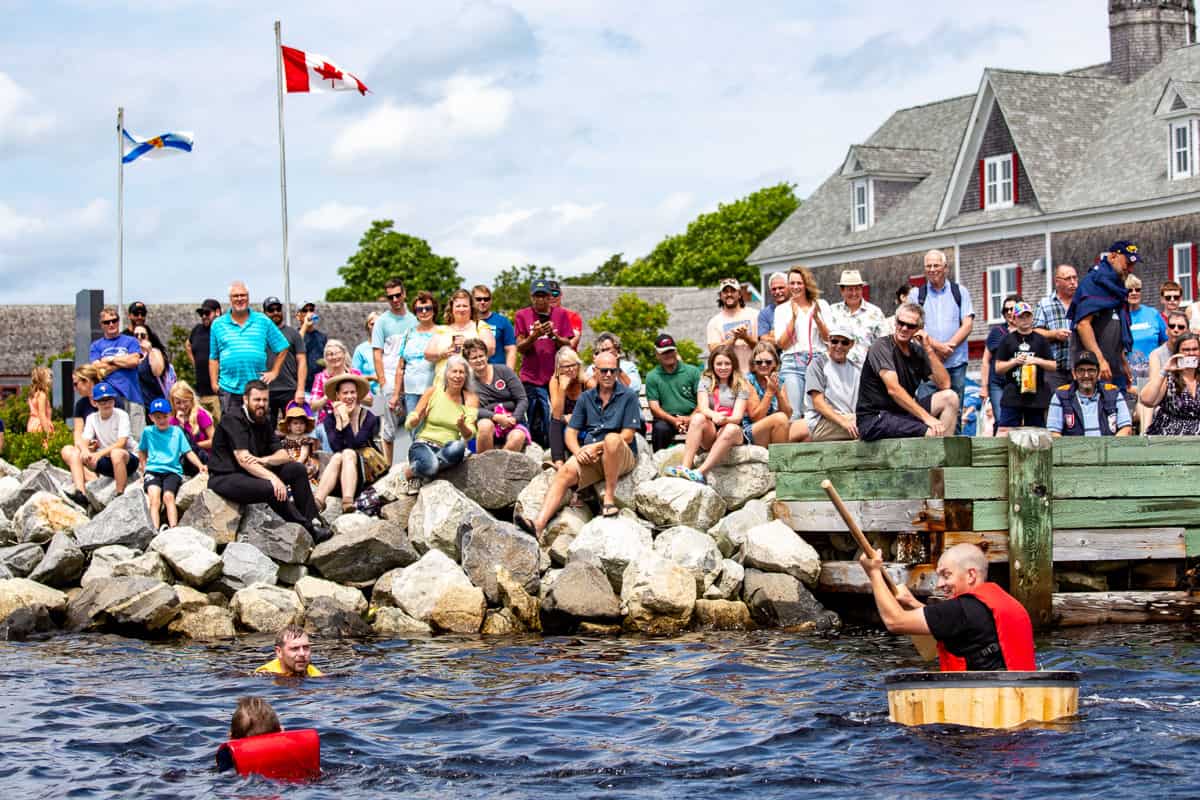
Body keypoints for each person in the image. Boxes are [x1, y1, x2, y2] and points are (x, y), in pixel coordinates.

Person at [859, 543, 1035, 672]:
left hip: (980, 706)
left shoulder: (961, 610)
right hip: (1016, 698)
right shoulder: (1005, 603)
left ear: (971, 575)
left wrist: (874, 573)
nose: (940, 584)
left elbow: (895, 622)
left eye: (946, 575)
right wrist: (913, 603)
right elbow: (951, 625)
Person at [529, 351, 642, 536]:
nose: (608, 375)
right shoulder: (586, 397)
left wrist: (597, 446)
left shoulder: (628, 396)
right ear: (595, 371)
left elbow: (628, 435)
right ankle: (538, 524)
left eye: (612, 371)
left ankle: (609, 500)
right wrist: (578, 451)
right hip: (592, 454)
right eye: (603, 371)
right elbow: (571, 432)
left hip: (621, 454)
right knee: (565, 471)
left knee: (613, 439)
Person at [207, 380, 330, 542]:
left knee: (296, 469)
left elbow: (284, 455)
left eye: (265, 400)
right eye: (257, 400)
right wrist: (273, 478)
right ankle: (308, 530)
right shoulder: (233, 419)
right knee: (272, 488)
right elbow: (243, 460)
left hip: (252, 472)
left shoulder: (263, 420)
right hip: (226, 476)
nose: (261, 404)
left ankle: (313, 518)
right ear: (245, 399)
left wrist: (263, 460)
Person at [856, 302, 958, 441]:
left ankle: (945, 459)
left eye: (910, 326)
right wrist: (928, 418)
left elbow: (945, 384)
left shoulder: (917, 351)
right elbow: (894, 390)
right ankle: (937, 460)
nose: (904, 328)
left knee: (950, 398)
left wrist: (928, 348)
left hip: (902, 414)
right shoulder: (881, 346)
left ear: (919, 329)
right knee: (931, 433)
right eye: (900, 323)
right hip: (875, 418)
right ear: (895, 322)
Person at [908, 249, 974, 429]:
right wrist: (938, 348)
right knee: (925, 412)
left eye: (936, 265)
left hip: (956, 364)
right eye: (928, 266)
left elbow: (967, 324)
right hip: (927, 365)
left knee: (956, 413)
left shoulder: (960, 292)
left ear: (945, 268)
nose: (932, 269)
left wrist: (949, 347)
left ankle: (957, 451)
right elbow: (914, 327)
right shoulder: (916, 295)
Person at [666, 344, 750, 484]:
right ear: (712, 364)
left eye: (727, 363)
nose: (723, 367)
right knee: (698, 418)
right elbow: (703, 408)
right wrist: (714, 415)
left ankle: (700, 472)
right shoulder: (706, 381)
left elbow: (737, 417)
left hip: (732, 431)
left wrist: (724, 419)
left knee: (730, 428)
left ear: (733, 364)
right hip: (712, 430)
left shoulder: (741, 384)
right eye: (719, 364)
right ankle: (686, 467)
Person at [209, 282, 289, 416]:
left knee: (259, 431)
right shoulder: (218, 324)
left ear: (248, 297)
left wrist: (274, 372)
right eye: (236, 296)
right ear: (230, 299)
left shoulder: (262, 320)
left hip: (257, 389)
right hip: (229, 389)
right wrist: (214, 384)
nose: (240, 299)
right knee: (232, 432)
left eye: (243, 295)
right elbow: (213, 357)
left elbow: (283, 347)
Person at [403, 355, 479, 492]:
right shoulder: (433, 391)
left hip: (447, 449)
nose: (457, 376)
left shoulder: (470, 398)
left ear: (466, 376)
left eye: (461, 372)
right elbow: (410, 422)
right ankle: (413, 471)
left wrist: (462, 426)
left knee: (459, 446)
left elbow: (470, 434)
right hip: (424, 444)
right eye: (454, 371)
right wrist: (415, 419)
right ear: (446, 373)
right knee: (431, 466)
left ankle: (422, 469)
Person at [515, 279, 575, 448]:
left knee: (554, 415)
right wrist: (534, 336)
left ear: (550, 297)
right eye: (536, 296)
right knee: (533, 416)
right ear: (531, 296)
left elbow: (568, 345)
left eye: (543, 296)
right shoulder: (522, 315)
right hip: (531, 376)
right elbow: (520, 347)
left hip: (554, 376)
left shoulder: (561, 314)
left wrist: (553, 336)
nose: (540, 300)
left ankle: (554, 448)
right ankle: (533, 450)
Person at [1069, 241, 1137, 390]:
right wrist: (1099, 360)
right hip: (1092, 370)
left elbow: (1116, 327)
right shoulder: (1094, 282)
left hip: (1114, 366)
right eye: (1128, 262)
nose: (1130, 269)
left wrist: (1122, 361)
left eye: (1133, 265)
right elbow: (1083, 325)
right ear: (1113, 256)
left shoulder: (1116, 287)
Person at [313, 374, 382, 513]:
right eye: (345, 393)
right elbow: (336, 447)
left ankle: (348, 501)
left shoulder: (369, 417)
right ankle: (318, 502)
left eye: (353, 392)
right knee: (339, 456)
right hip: (344, 470)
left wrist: (346, 420)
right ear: (338, 396)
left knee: (348, 453)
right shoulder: (330, 419)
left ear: (357, 394)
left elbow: (356, 444)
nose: (350, 396)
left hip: (367, 470)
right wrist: (339, 420)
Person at [62, 382, 139, 503]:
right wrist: (86, 451)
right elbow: (84, 440)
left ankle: (120, 494)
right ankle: (80, 492)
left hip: (127, 459)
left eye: (109, 400)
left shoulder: (121, 415)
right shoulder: (92, 418)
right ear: (95, 403)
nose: (106, 404)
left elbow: (121, 443)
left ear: (114, 401)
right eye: (102, 401)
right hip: (106, 460)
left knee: (116, 453)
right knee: (69, 451)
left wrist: (98, 454)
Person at [138, 397, 206, 530]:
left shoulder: (176, 431)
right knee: (154, 498)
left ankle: (173, 528)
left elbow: (188, 452)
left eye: (164, 416)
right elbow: (142, 451)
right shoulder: (148, 432)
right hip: (153, 470)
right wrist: (143, 469)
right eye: (158, 417)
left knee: (168, 496)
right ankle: (155, 530)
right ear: (151, 417)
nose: (162, 420)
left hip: (172, 471)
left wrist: (200, 466)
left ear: (170, 415)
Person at [774, 267, 830, 420]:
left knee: (819, 411)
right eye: (791, 283)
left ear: (806, 284)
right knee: (795, 412)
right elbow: (782, 344)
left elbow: (828, 339)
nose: (795, 287)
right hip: (793, 361)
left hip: (818, 359)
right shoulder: (781, 309)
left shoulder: (821, 305)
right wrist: (793, 318)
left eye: (799, 283)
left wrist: (817, 319)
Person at [389, 293, 439, 462]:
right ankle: (420, 463)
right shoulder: (408, 334)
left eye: (428, 308)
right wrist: (396, 394)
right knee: (414, 429)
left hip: (433, 390)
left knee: (433, 430)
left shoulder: (441, 332)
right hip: (411, 392)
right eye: (420, 309)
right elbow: (400, 366)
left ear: (434, 310)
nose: (424, 312)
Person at [993, 302, 1056, 432]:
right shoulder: (1007, 340)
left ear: (1032, 318)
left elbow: (1053, 366)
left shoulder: (1041, 340)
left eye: (1027, 316)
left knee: (1036, 434)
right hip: (1013, 395)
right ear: (1014, 319)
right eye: (1021, 317)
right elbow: (998, 368)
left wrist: (1036, 360)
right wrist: (1014, 362)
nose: (1025, 320)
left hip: (1035, 396)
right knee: (1005, 432)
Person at [373, 278, 417, 465]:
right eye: (391, 297)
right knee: (390, 429)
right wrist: (383, 383)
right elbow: (377, 353)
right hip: (390, 378)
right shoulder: (382, 322)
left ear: (404, 294)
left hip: (412, 377)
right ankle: (388, 469)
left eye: (398, 295)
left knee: (414, 425)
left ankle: (413, 465)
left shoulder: (414, 319)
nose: (395, 299)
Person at [89, 305, 145, 438]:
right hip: (110, 399)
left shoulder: (131, 341)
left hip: (133, 396)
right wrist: (123, 362)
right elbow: (98, 369)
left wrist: (110, 359)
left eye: (114, 320)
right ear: (101, 325)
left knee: (138, 437)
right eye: (107, 322)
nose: (111, 324)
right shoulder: (96, 346)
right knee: (116, 438)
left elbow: (134, 361)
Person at [464, 338, 529, 453]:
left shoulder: (504, 371)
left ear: (487, 356)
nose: (479, 360)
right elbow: (471, 410)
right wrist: (496, 417)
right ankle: (484, 466)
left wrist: (514, 418)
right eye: (474, 358)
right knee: (484, 426)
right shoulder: (468, 382)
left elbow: (522, 399)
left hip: (513, 419)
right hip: (488, 420)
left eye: (481, 356)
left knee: (517, 437)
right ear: (468, 361)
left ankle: (498, 467)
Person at [1046, 351, 1133, 437]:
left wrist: (1110, 449)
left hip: (1108, 449)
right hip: (1074, 450)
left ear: (1098, 373)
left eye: (1091, 370)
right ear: (1074, 374)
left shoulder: (1113, 393)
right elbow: (1053, 433)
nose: (1086, 375)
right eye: (1081, 370)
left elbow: (1126, 428)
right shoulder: (1060, 396)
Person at [803, 327, 863, 442]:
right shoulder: (818, 364)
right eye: (835, 341)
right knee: (868, 422)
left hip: (849, 419)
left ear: (851, 344)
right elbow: (818, 403)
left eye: (844, 342)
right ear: (828, 341)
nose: (839, 346)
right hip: (821, 423)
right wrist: (843, 422)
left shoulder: (856, 369)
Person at [644, 334, 700, 452]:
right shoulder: (652, 376)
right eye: (664, 352)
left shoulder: (693, 372)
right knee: (660, 429)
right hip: (667, 419)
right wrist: (674, 421)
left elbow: (702, 402)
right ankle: (659, 464)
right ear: (657, 354)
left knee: (701, 423)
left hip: (693, 416)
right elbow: (654, 408)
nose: (668, 354)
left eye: (671, 351)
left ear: (676, 351)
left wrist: (690, 418)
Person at [743, 341, 805, 445]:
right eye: (759, 362)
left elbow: (787, 414)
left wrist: (777, 392)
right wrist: (770, 392)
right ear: (753, 365)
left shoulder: (779, 380)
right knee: (780, 418)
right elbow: (755, 417)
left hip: (776, 426)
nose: (763, 365)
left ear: (775, 363)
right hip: (752, 431)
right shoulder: (748, 381)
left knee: (806, 426)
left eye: (768, 362)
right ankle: (780, 460)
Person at [427, 289, 496, 378]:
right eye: (458, 306)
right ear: (452, 308)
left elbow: (491, 348)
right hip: (443, 383)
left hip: (473, 381)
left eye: (465, 306)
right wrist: (442, 353)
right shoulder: (442, 329)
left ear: (471, 308)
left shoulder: (480, 325)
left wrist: (469, 344)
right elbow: (427, 354)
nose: (461, 309)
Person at [1141, 333, 1200, 435]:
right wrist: (1165, 370)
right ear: (1177, 353)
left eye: (1195, 349)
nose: (1191, 353)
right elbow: (1147, 401)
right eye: (1186, 350)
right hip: (1169, 435)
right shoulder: (1169, 377)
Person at [262, 297, 307, 431]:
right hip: (266, 390)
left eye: (278, 309)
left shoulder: (293, 334)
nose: (275, 312)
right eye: (271, 310)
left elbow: (302, 362)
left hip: (289, 389)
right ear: (265, 312)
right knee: (265, 430)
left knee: (294, 430)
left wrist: (300, 389)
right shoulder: (259, 334)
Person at [1034, 264, 1078, 394]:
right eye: (1068, 279)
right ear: (1057, 282)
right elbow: (1035, 332)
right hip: (1054, 369)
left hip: (1080, 367)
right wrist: (1054, 334)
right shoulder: (1045, 304)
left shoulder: (1083, 302)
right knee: (1056, 407)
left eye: (1075, 278)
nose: (1073, 282)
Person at [827, 270, 885, 366]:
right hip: (836, 370)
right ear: (842, 291)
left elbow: (883, 344)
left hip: (865, 371)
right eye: (850, 289)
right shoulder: (832, 311)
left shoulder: (875, 313)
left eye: (857, 289)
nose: (854, 293)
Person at [707, 277, 759, 375]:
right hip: (731, 376)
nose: (729, 294)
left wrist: (746, 338)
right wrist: (733, 338)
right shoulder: (714, 322)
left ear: (739, 294)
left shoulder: (755, 315)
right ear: (720, 295)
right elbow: (714, 352)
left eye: (733, 291)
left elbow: (764, 348)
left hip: (755, 373)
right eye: (725, 292)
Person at [981, 296, 1019, 432]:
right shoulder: (997, 332)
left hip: (1018, 383)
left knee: (1017, 420)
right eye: (1006, 310)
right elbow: (985, 361)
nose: (1009, 312)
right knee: (1001, 420)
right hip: (997, 383)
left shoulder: (1026, 332)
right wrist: (984, 387)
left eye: (1012, 309)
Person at [1125, 274, 1166, 394]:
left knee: (1148, 408)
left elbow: (1165, 342)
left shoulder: (1152, 313)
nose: (1134, 293)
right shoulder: (1119, 316)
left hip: (1152, 372)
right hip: (1129, 375)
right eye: (1129, 290)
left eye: (1137, 289)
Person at [310, 340, 367, 425]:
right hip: (328, 421)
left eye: (337, 353)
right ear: (326, 358)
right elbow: (313, 406)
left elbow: (369, 400)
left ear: (344, 354)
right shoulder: (321, 377)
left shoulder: (355, 374)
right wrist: (328, 396)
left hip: (353, 420)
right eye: (330, 354)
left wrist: (351, 395)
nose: (334, 357)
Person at [549, 346, 586, 467]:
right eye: (566, 366)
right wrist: (562, 389)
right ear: (559, 368)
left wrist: (576, 418)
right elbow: (557, 414)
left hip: (586, 422)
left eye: (573, 365)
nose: (571, 369)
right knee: (555, 421)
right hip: (564, 424)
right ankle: (558, 462)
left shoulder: (585, 380)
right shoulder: (555, 381)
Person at [187, 298, 222, 421]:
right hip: (200, 392)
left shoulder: (222, 329)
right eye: (201, 314)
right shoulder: (197, 329)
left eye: (207, 313)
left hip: (218, 392)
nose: (203, 316)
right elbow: (188, 345)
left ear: (217, 312)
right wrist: (195, 363)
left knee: (220, 426)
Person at [169, 380, 214, 475]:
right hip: (185, 459)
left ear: (191, 399)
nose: (182, 406)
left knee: (187, 442)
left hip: (204, 456)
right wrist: (180, 424)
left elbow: (213, 441)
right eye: (178, 403)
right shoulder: (173, 420)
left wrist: (194, 446)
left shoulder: (200, 415)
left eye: (185, 401)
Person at [473, 284, 517, 369]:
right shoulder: (468, 322)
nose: (482, 302)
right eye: (478, 299)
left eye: (486, 299)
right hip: (472, 373)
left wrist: (509, 374)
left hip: (496, 372)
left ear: (491, 301)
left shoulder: (502, 321)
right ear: (472, 300)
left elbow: (511, 349)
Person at [279, 401, 321, 486]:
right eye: (295, 423)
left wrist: (295, 466)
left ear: (305, 425)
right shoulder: (284, 441)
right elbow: (282, 455)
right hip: (288, 463)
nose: (299, 426)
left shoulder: (305, 439)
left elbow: (303, 456)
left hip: (303, 464)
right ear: (289, 426)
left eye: (302, 423)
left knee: (302, 474)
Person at [255, 624, 323, 677]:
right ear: (279, 652)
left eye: (306, 647)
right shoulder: (265, 675)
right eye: (295, 648)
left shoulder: (314, 673)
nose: (302, 654)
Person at [297, 302, 327, 395]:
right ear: (298, 316)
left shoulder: (322, 337)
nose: (309, 313)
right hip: (302, 388)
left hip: (318, 387)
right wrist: (305, 325)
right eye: (305, 310)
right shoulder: (294, 334)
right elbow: (296, 344)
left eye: (311, 310)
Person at [352, 311, 381, 399]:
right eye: (372, 324)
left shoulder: (390, 347)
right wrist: (372, 378)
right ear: (368, 326)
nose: (375, 327)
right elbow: (354, 375)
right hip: (368, 395)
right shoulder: (360, 349)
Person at [548, 280, 583, 351]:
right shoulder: (537, 317)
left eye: (555, 293)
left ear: (561, 295)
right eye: (548, 294)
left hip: (565, 360)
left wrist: (553, 335)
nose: (552, 297)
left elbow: (572, 344)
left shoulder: (572, 316)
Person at [756, 272, 789, 346]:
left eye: (781, 288)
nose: (777, 291)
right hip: (775, 356)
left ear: (789, 287)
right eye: (774, 289)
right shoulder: (765, 313)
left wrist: (773, 334)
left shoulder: (797, 308)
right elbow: (763, 339)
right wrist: (785, 340)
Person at [25, 366, 54, 440]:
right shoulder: (42, 395)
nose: (51, 380)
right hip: (40, 426)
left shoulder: (33, 394)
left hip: (32, 424)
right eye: (49, 377)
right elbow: (42, 415)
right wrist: (48, 433)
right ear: (43, 379)